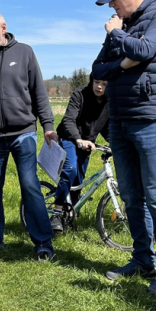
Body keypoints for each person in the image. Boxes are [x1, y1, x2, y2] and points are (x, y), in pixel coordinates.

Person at [92, 0, 156, 295]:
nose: (111, 9)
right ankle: (142, 259)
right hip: (120, 118)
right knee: (131, 196)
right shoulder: (121, 25)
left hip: (153, 119)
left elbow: (144, 50)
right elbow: (97, 68)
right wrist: (122, 64)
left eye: (114, 0)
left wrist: (119, 38)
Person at [0, 12, 58, 261]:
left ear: (3, 28)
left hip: (23, 133)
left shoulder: (25, 53)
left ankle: (43, 244)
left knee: (30, 186)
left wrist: (48, 125)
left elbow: (39, 91)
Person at [51, 78, 109, 233]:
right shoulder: (80, 95)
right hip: (69, 138)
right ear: (91, 81)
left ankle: (69, 216)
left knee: (78, 181)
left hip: (87, 144)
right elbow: (68, 120)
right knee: (70, 169)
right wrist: (78, 139)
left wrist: (116, 144)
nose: (99, 86)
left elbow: (106, 128)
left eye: (104, 84)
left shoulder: (108, 102)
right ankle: (56, 212)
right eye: (97, 82)